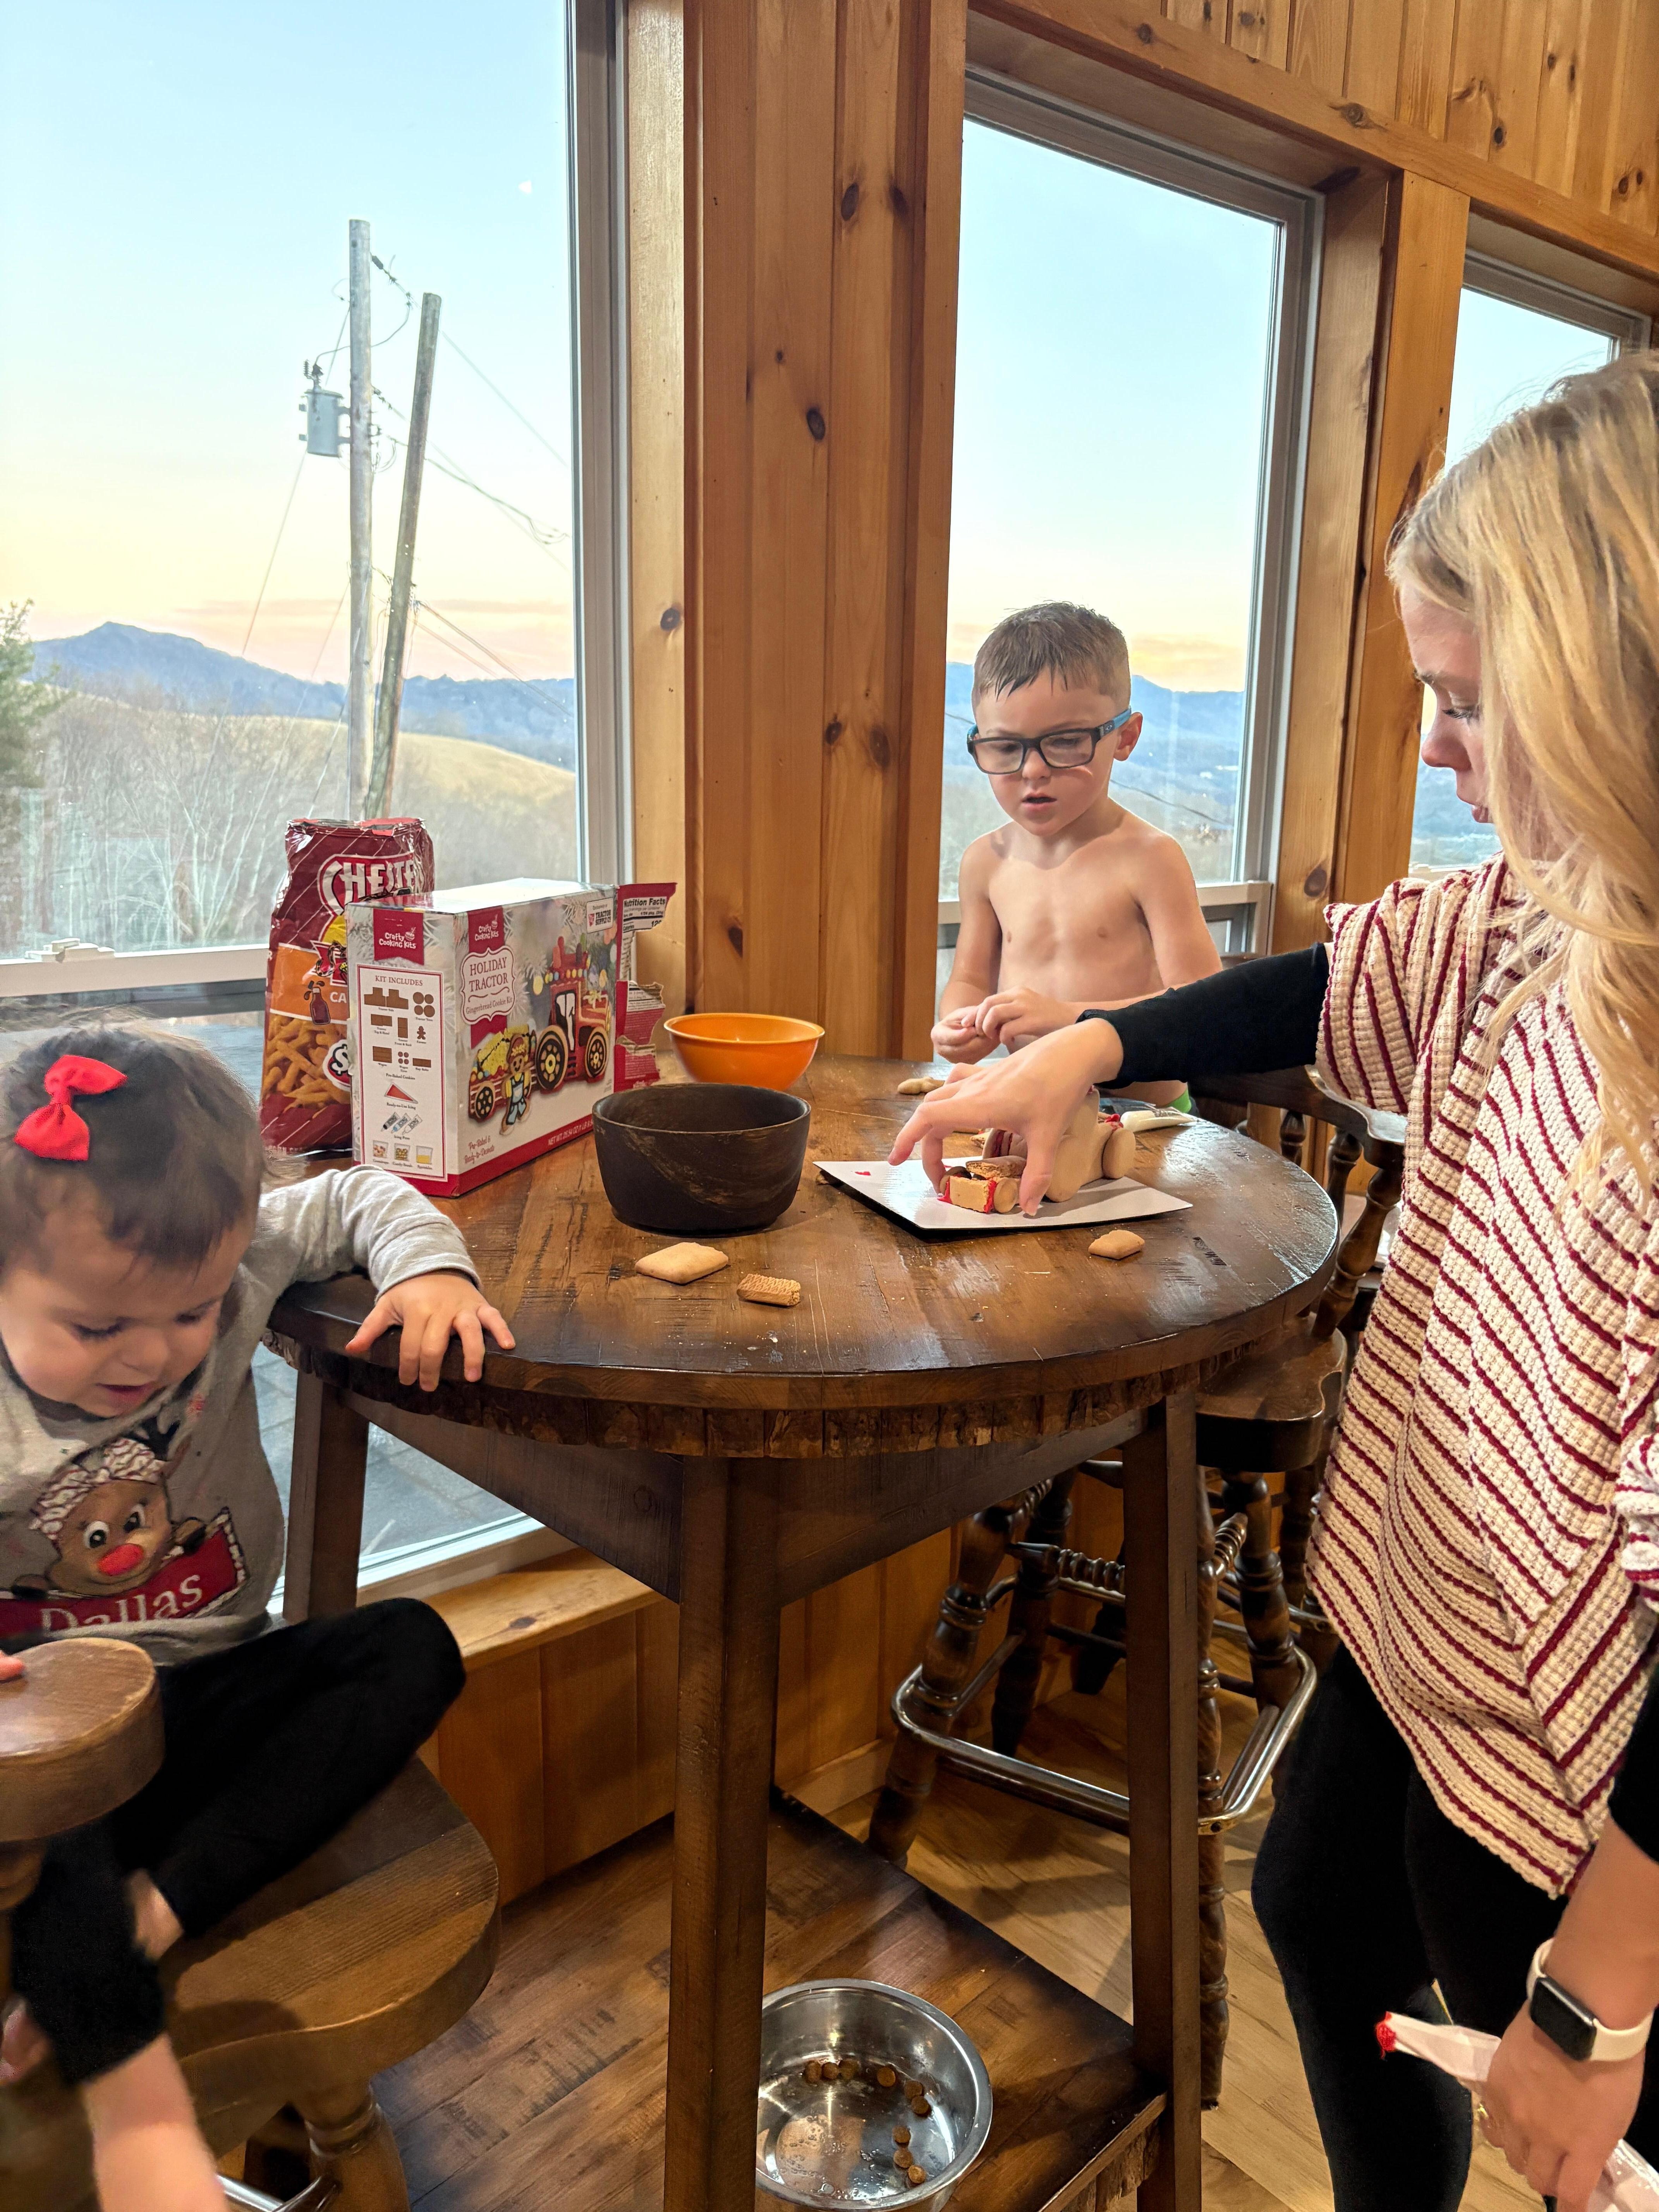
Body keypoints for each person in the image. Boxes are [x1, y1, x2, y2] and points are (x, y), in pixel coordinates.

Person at [891, 354, 1659, 2212]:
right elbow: (1321, 990)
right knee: (1321, 1909)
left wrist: (1602, 2003)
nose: (1437, 752)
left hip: (1590, 1763)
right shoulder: (1549, 909)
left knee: (1572, 2134)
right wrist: (1089, 1054)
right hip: (1426, 1618)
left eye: (1473, 701)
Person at [0, 1026, 514, 2206]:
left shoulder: (223, 1269)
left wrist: (429, 1271)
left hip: (206, 1691)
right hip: (46, 1742)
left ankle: (158, 1912)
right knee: (52, 1836)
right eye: (94, 1330)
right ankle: (141, 2132)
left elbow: (361, 1195)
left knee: (412, 1649)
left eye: (191, 1312)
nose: (155, 1355)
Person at [932, 601, 1220, 1107]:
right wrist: (958, 1024)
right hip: (1030, 1101)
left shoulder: (1151, 859)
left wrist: (1070, 1019)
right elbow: (971, 978)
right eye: (1004, 747)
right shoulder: (986, 861)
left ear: (1125, 738)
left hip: (1144, 1116)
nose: (1033, 771)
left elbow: (1203, 1007)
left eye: (1065, 743)